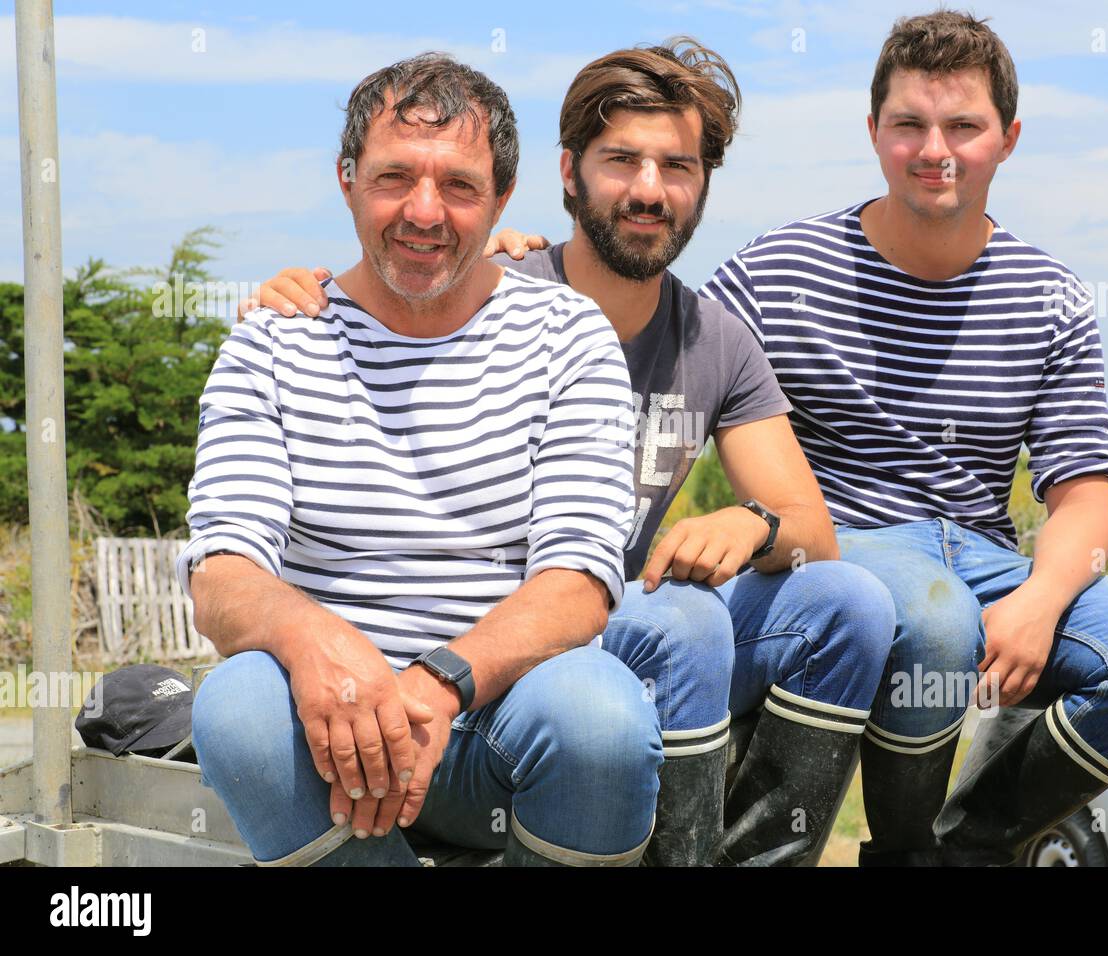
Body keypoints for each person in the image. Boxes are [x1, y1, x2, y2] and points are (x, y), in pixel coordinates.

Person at [251, 38, 895, 867]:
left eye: (678, 166)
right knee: (689, 623)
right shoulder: (489, 287)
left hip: (632, 615)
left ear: (704, 184)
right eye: (621, 160)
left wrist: (755, 524)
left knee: (851, 604)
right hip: (515, 636)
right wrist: (293, 295)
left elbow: (813, 530)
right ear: (568, 173)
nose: (649, 190)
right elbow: (386, 284)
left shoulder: (719, 341)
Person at [698, 10, 1108, 864]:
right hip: (840, 549)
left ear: (1006, 138)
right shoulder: (777, 270)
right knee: (935, 621)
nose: (935, 149)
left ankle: (970, 847)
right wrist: (531, 269)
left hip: (986, 552)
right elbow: (659, 341)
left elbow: (1083, 493)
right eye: (909, 125)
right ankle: (900, 850)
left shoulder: (1050, 296)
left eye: (963, 126)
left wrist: (1040, 602)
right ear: (874, 133)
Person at [180, 52, 661, 867]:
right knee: (236, 706)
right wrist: (319, 647)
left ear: (503, 196)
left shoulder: (568, 337)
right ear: (347, 179)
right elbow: (223, 573)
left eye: (461, 187)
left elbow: (578, 582)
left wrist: (438, 683)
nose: (424, 212)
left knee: (601, 717)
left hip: (495, 731)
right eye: (394, 177)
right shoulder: (273, 341)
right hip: (326, 733)